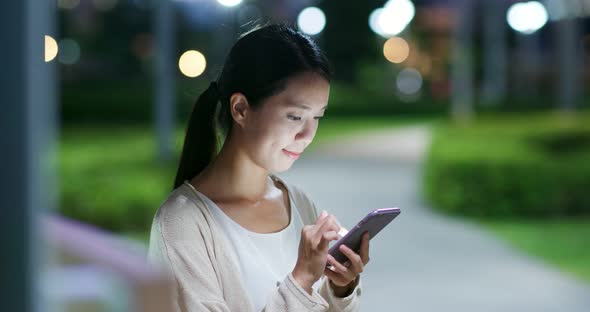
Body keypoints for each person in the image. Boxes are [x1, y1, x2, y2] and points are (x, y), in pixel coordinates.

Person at [148, 24, 370, 312]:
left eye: (317, 117)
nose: (307, 135)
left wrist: (340, 288)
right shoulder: (183, 223)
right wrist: (301, 281)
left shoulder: (298, 203)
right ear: (240, 108)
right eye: (294, 116)